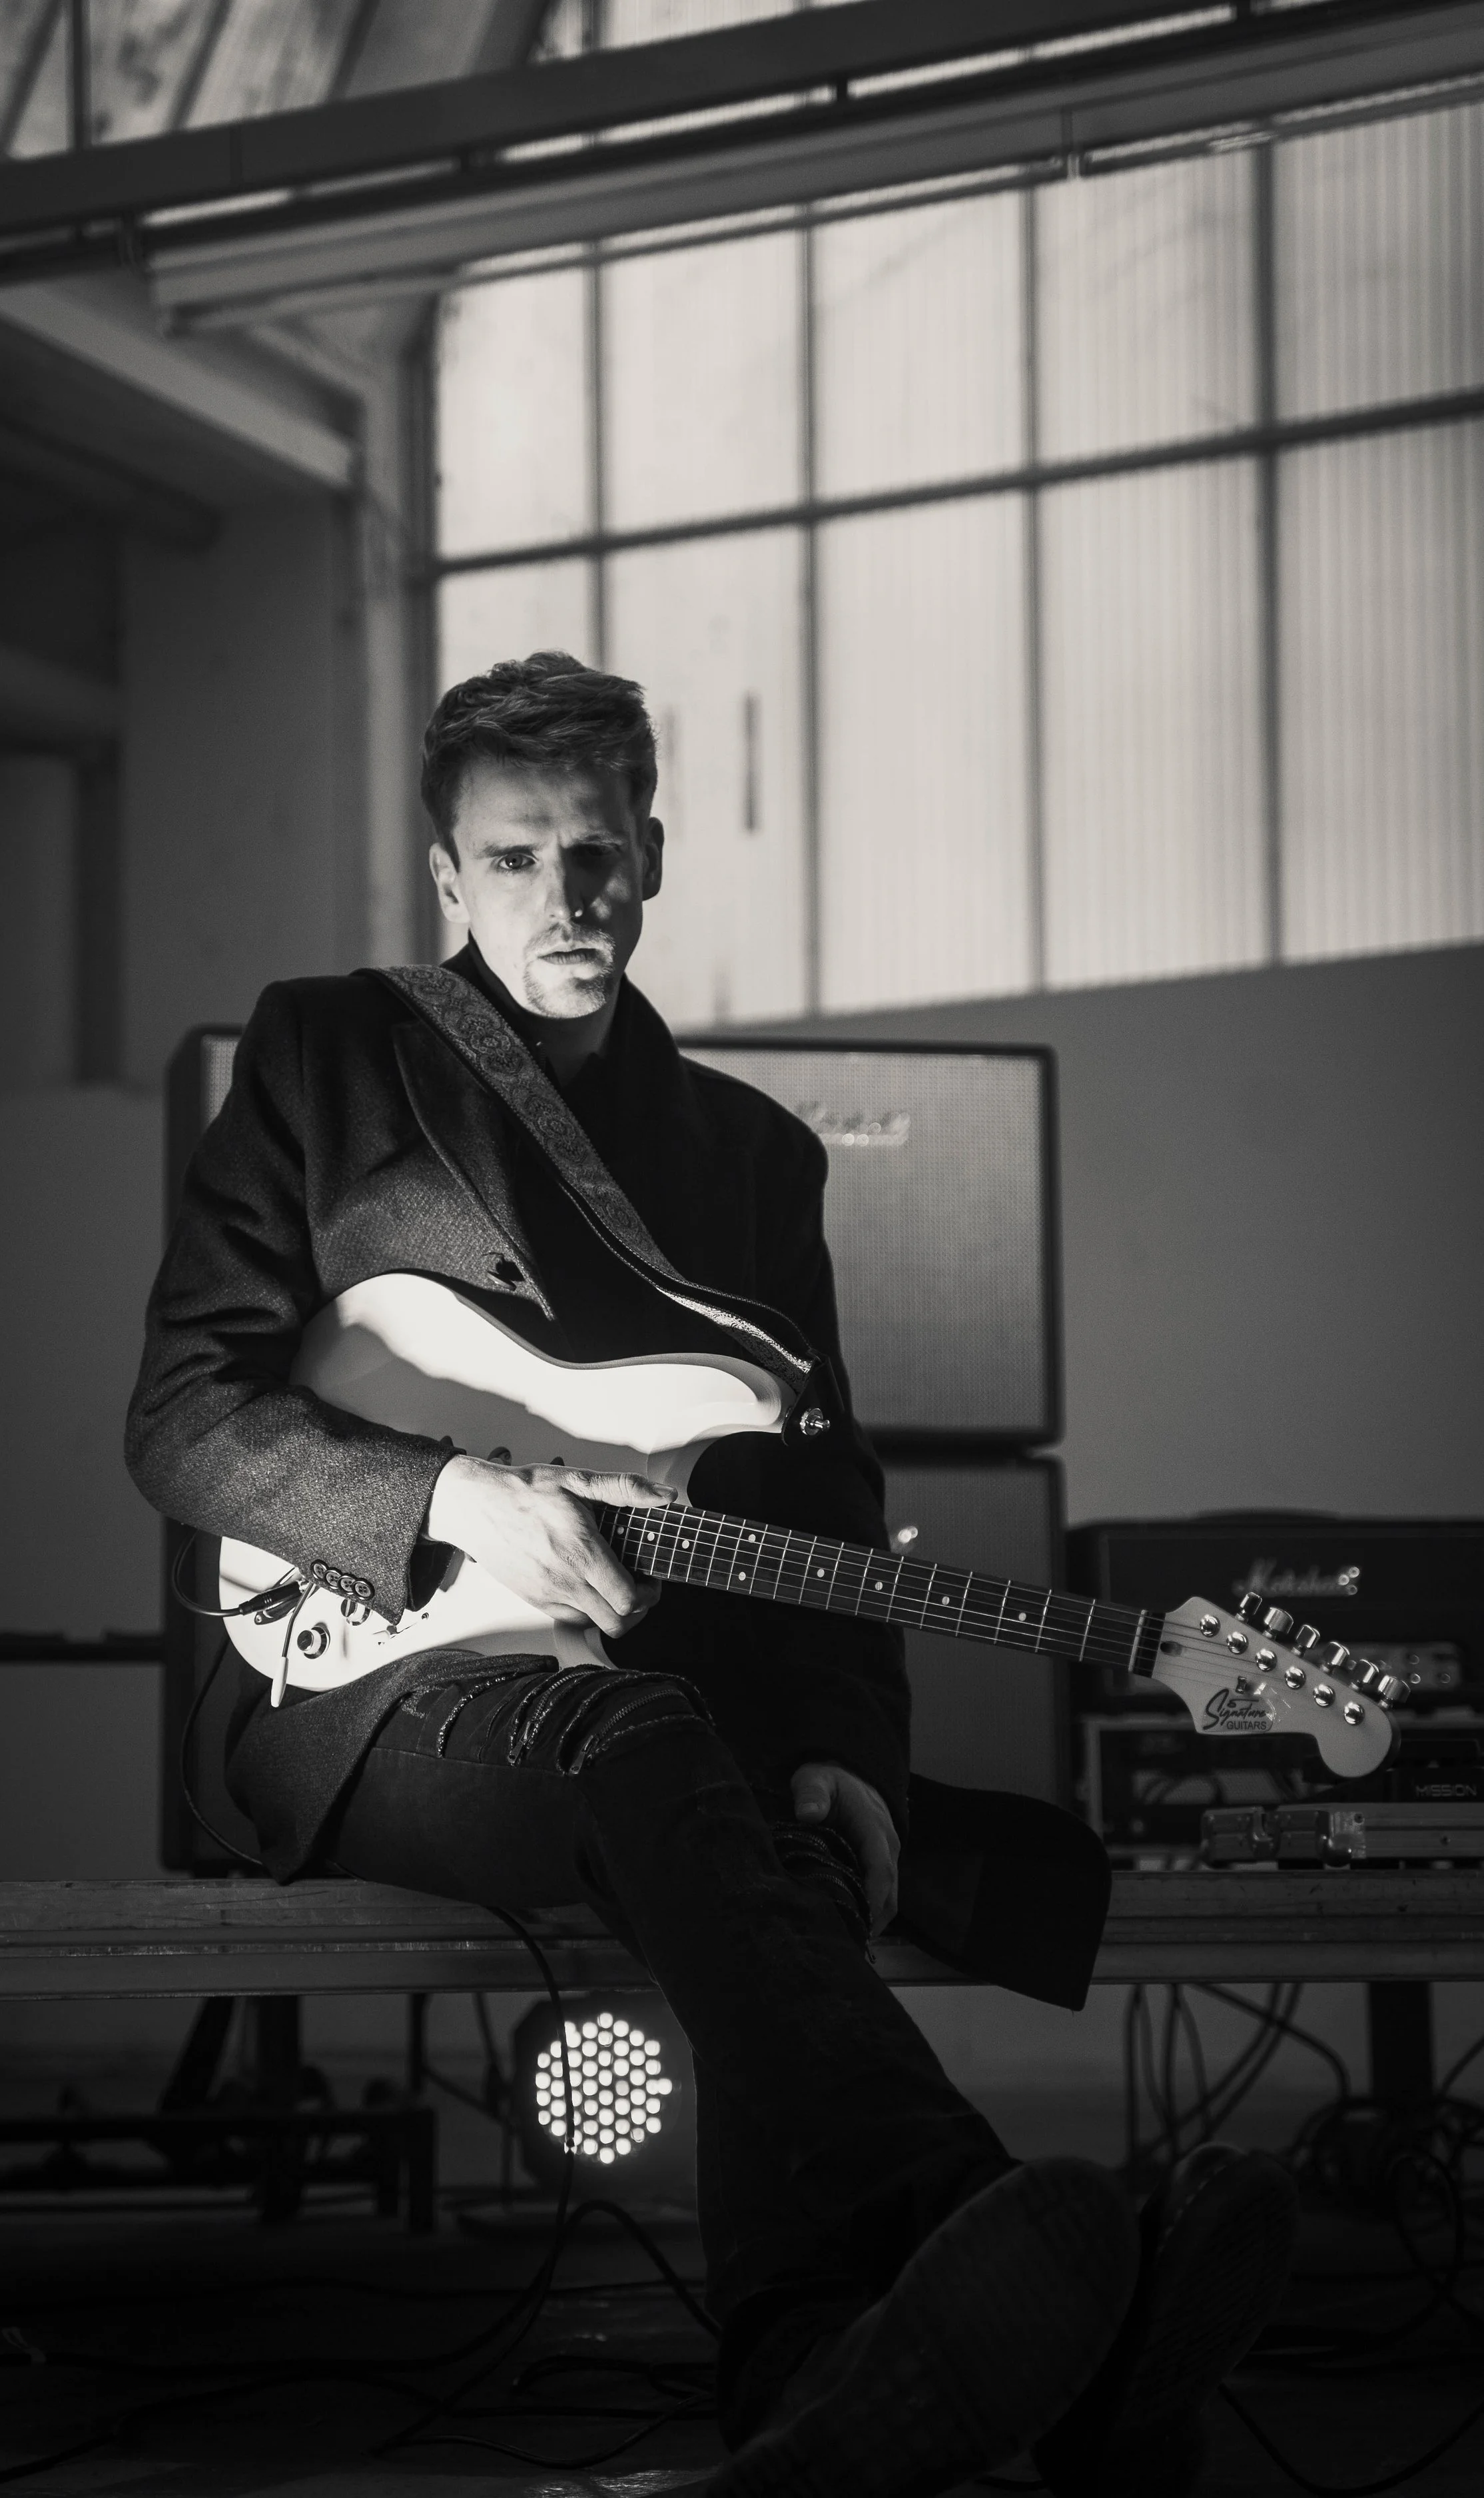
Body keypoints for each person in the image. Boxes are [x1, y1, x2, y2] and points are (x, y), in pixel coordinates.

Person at [126, 652, 1297, 2496]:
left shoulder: (750, 1154)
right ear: (447, 876)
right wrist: (441, 1492)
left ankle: (815, 2381)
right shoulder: (326, 1055)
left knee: (793, 1835)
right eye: (514, 859)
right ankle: (1034, 2254)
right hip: (355, 1681)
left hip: (668, 1699)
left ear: (654, 853)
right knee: (663, 1754)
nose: (563, 897)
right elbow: (184, 1422)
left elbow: (821, 1484)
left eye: (595, 853)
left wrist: (847, 1733)